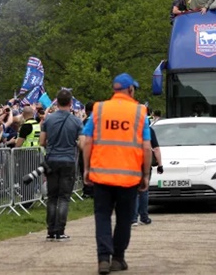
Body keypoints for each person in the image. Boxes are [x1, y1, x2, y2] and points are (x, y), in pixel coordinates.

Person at [82, 73, 152, 274]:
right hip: (129, 177)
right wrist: (145, 174)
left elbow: (87, 141)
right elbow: (146, 147)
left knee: (102, 216)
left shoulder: (99, 108)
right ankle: (118, 258)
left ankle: (103, 258)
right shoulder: (140, 111)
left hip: (101, 175)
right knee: (124, 218)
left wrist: (86, 168)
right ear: (130, 90)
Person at [39, 89, 83, 241]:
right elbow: (82, 144)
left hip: (51, 159)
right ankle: (60, 230)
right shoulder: (76, 121)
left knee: (52, 197)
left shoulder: (48, 120)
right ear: (71, 103)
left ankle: (50, 230)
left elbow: (42, 142)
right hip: (68, 160)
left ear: (56, 102)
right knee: (64, 197)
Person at [132, 127, 162, 226]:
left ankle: (133, 218)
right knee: (144, 190)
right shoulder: (148, 130)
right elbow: (156, 148)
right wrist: (160, 164)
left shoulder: (129, 127)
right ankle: (144, 217)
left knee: (133, 191)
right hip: (145, 162)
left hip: (131, 162)